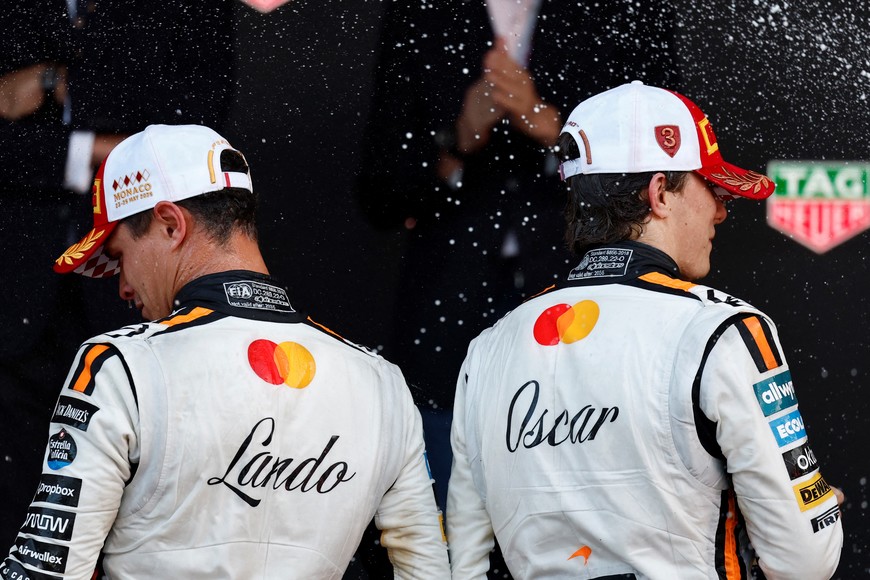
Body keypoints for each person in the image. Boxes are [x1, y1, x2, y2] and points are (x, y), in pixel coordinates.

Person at [2, 124, 450, 579]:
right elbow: (429, 571)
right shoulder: (381, 383)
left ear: (171, 224)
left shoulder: (119, 365)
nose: (122, 285)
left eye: (120, 255)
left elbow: (44, 572)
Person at [446, 81, 844, 579]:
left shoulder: (488, 351)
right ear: (659, 193)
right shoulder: (722, 330)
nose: (721, 210)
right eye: (710, 187)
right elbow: (806, 563)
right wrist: (804, 512)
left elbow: (462, 565)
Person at [357, 0, 680, 517]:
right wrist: (458, 139)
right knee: (439, 524)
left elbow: (667, 163)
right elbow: (378, 192)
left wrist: (556, 129)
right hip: (445, 317)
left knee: (578, 520)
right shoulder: (420, 12)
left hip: (581, 306)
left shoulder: (623, 11)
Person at [0, 1, 237, 549]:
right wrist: (108, 143)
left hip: (136, 299)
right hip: (15, 300)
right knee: (16, 518)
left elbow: (196, 134)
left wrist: (56, 83)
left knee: (142, 513)